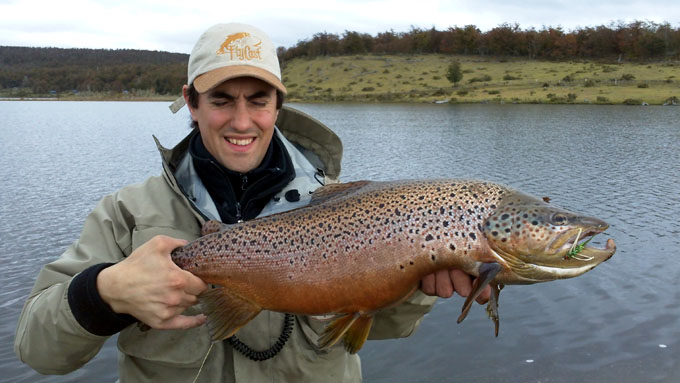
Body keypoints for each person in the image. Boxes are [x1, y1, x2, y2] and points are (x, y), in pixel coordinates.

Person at [14, 22, 489, 382]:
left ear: (278, 105)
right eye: (221, 100)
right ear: (191, 102)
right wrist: (104, 293)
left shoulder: (352, 209)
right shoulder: (127, 214)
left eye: (258, 101)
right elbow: (39, 351)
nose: (242, 122)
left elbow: (383, 330)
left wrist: (418, 292)